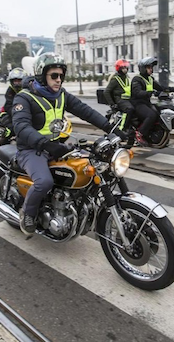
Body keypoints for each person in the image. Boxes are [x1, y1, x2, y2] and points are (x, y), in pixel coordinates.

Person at [12, 53, 122, 235]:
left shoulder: (61, 95)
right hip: (32, 150)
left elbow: (84, 111)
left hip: (56, 147)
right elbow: (21, 127)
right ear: (41, 75)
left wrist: (110, 128)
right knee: (44, 181)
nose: (58, 80)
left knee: (86, 170)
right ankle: (28, 215)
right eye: (54, 76)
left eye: (61, 76)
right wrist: (45, 144)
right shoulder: (24, 98)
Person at [130, 57, 174, 146]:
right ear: (143, 68)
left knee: (160, 113)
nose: (151, 69)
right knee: (151, 115)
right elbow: (137, 92)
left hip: (147, 103)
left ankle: (155, 136)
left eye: (151, 67)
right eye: (149, 67)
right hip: (138, 103)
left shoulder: (150, 79)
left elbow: (161, 88)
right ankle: (139, 134)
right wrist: (151, 92)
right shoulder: (137, 79)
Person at [104, 59, 135, 131]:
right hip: (120, 100)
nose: (125, 70)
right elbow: (106, 92)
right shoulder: (115, 79)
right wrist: (112, 104)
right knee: (129, 109)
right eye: (123, 68)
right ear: (119, 68)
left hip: (128, 99)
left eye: (126, 68)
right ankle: (122, 128)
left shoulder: (127, 77)